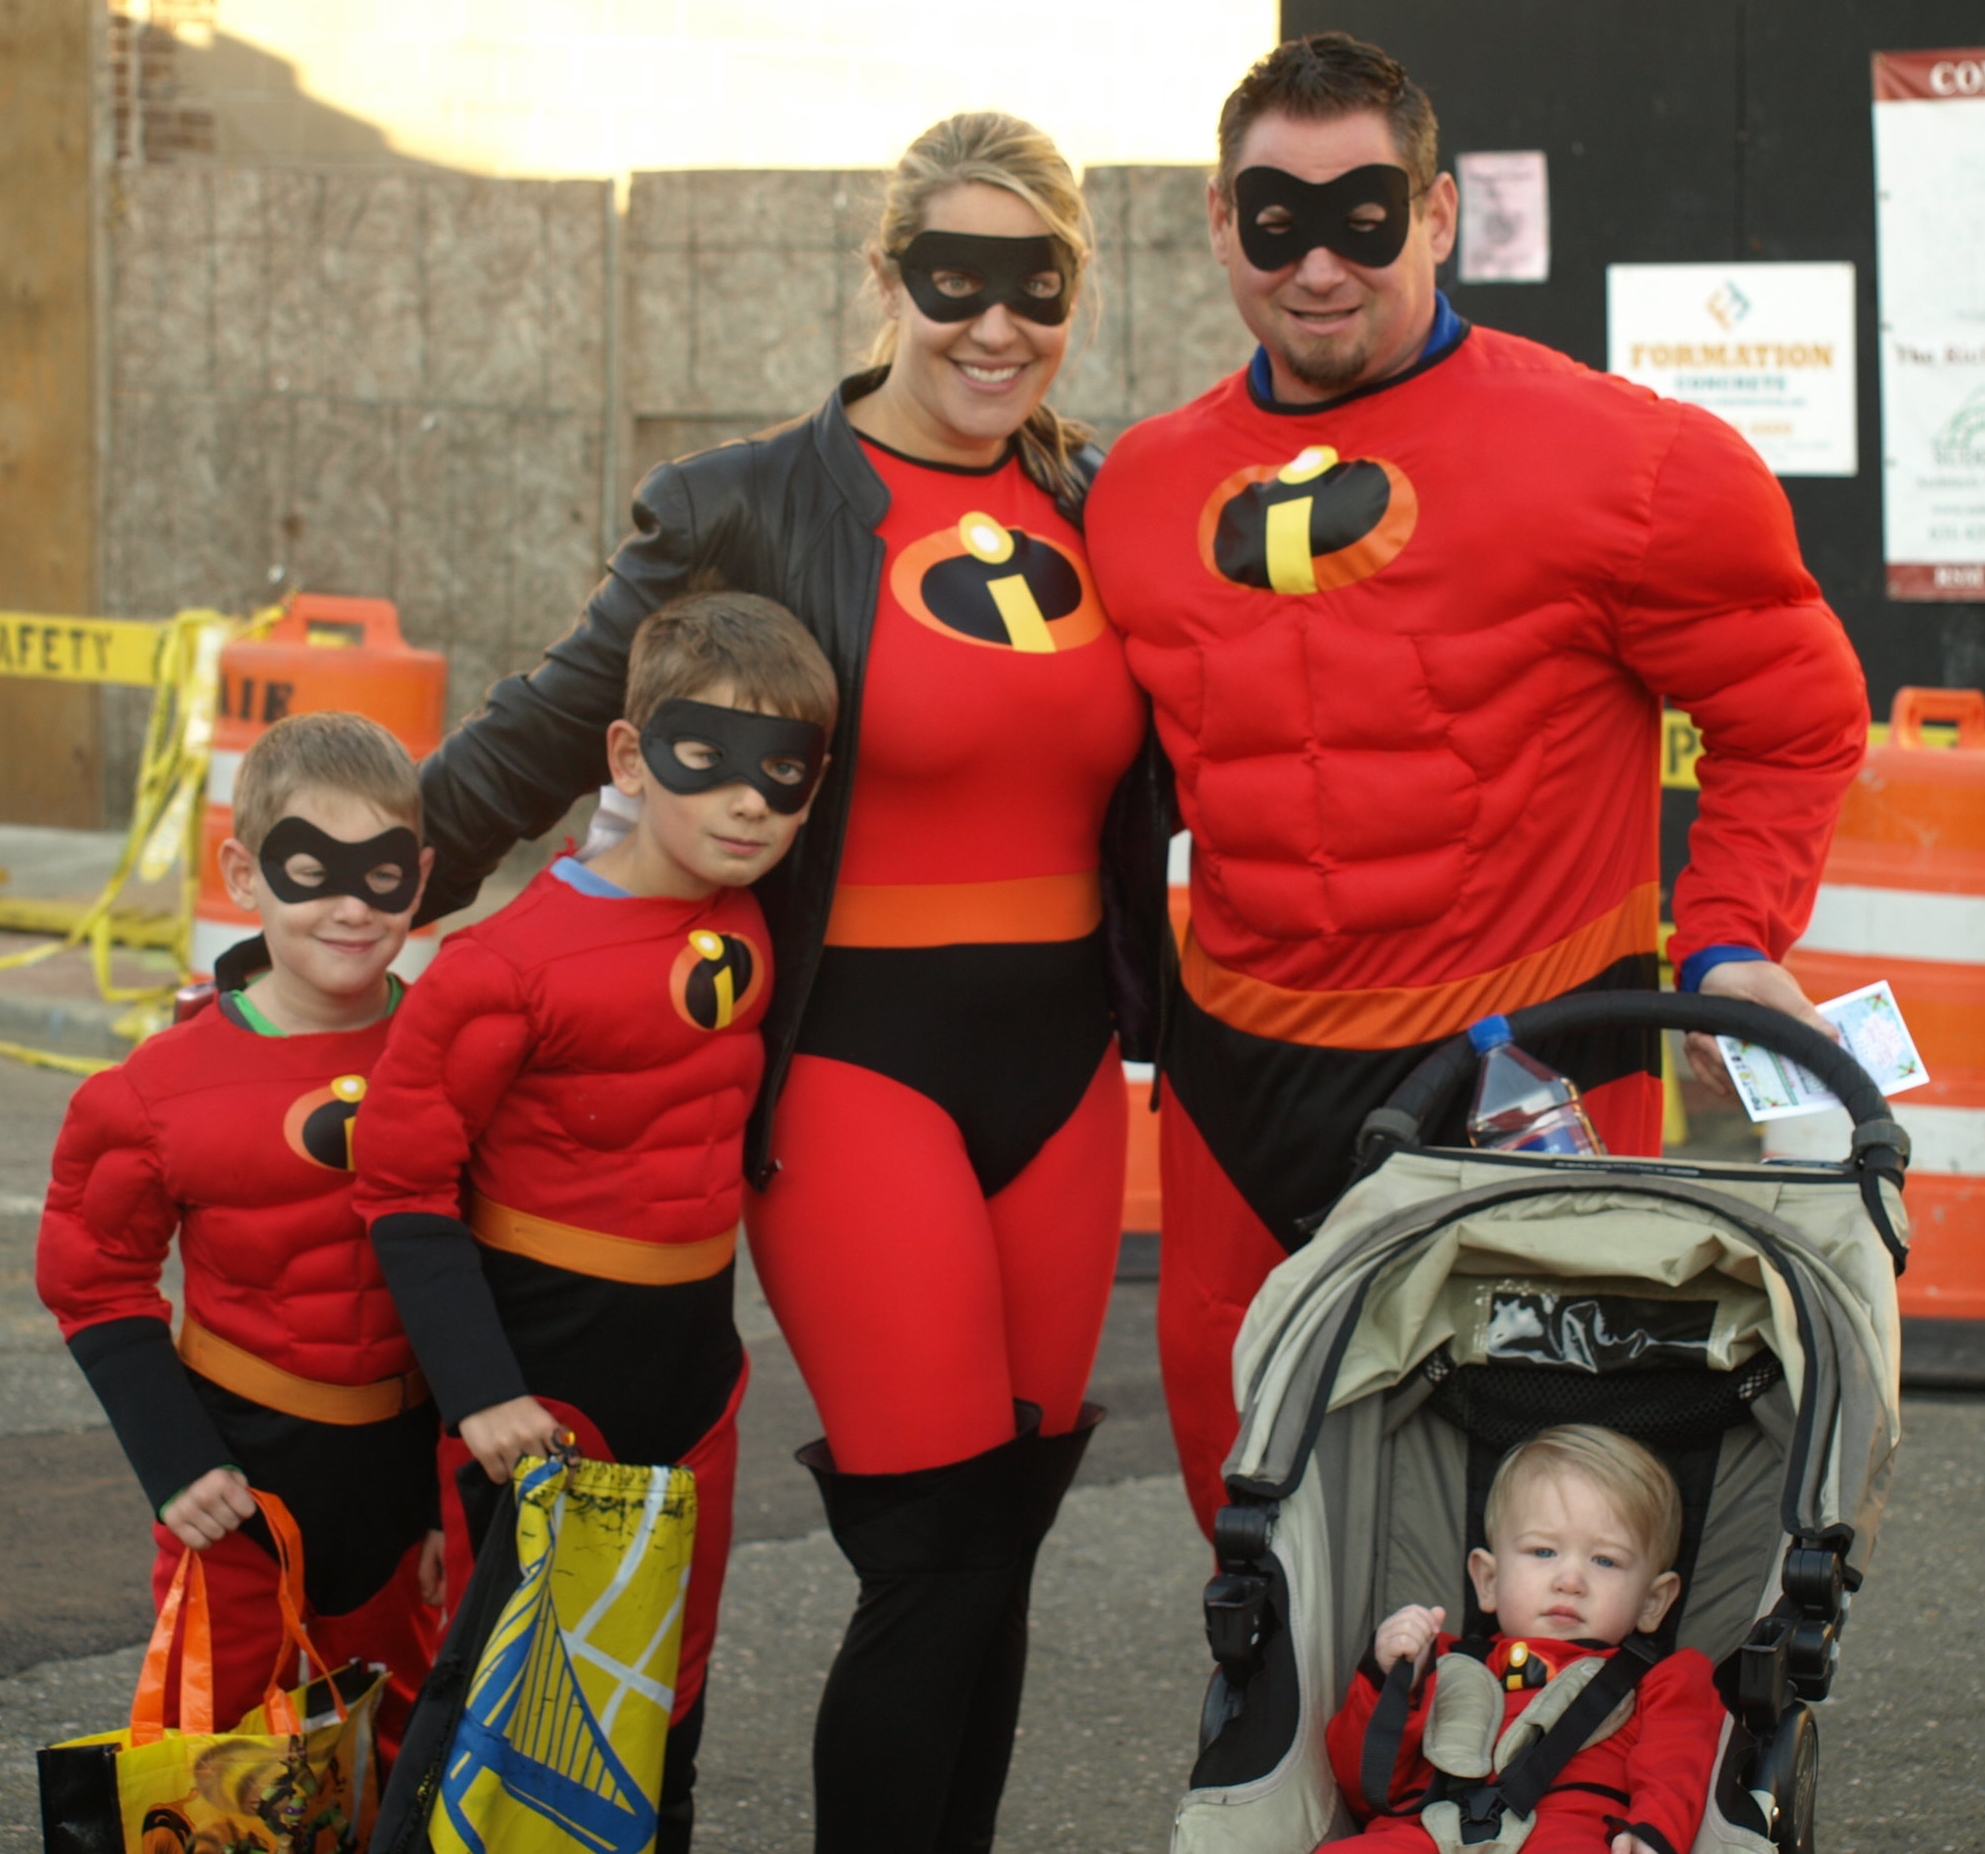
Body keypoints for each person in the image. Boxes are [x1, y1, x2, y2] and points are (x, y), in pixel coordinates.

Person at [407, 112, 1170, 1853]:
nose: (994, 325)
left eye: (1034, 285)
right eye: (951, 279)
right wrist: (361, 894)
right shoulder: (751, 499)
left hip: (1064, 1072)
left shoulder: (1102, 499)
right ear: (883, 277)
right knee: (929, 1533)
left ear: (1079, 292)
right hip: (854, 1057)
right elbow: (548, 722)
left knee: (1009, 1525)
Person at [1083, 31, 1869, 1537]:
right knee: (1252, 1522)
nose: (1320, 265)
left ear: (1438, 216)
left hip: (1534, 1061)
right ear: (1216, 223)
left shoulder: (1630, 464)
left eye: (1365, 218)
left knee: (1547, 1531)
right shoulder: (1138, 490)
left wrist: (1727, 939)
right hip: (1241, 1079)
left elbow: (1793, 718)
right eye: (1276, 219)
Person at [353, 591, 834, 1852]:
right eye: (706, 760)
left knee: (664, 1693)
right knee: (508, 1702)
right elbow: (399, 1188)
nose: (747, 802)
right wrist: (479, 1394)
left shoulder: (753, 911)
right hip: (542, 1385)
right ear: (627, 757)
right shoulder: (500, 969)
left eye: (783, 775)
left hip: (696, 1380)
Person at [37, 711, 444, 1759]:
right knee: (214, 1769)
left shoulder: (453, 1051)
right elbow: (96, 1280)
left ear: (423, 875)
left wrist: (454, 1489)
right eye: (312, 869)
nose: (352, 905)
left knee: (398, 1761)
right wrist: (176, 1465)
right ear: (245, 872)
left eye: (384, 873)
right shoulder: (155, 1091)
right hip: (242, 1483)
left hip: (405, 1484)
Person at [1324, 1425, 1721, 1854]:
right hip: (1427, 1829)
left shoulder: (1664, 1679)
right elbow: (1362, 1790)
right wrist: (1391, 1681)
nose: (1570, 1581)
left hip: (1570, 1830)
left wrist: (1652, 1830)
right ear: (1488, 1580)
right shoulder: (1436, 1661)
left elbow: (1678, 1766)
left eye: (1605, 1560)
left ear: (1653, 1602)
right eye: (1543, 1552)